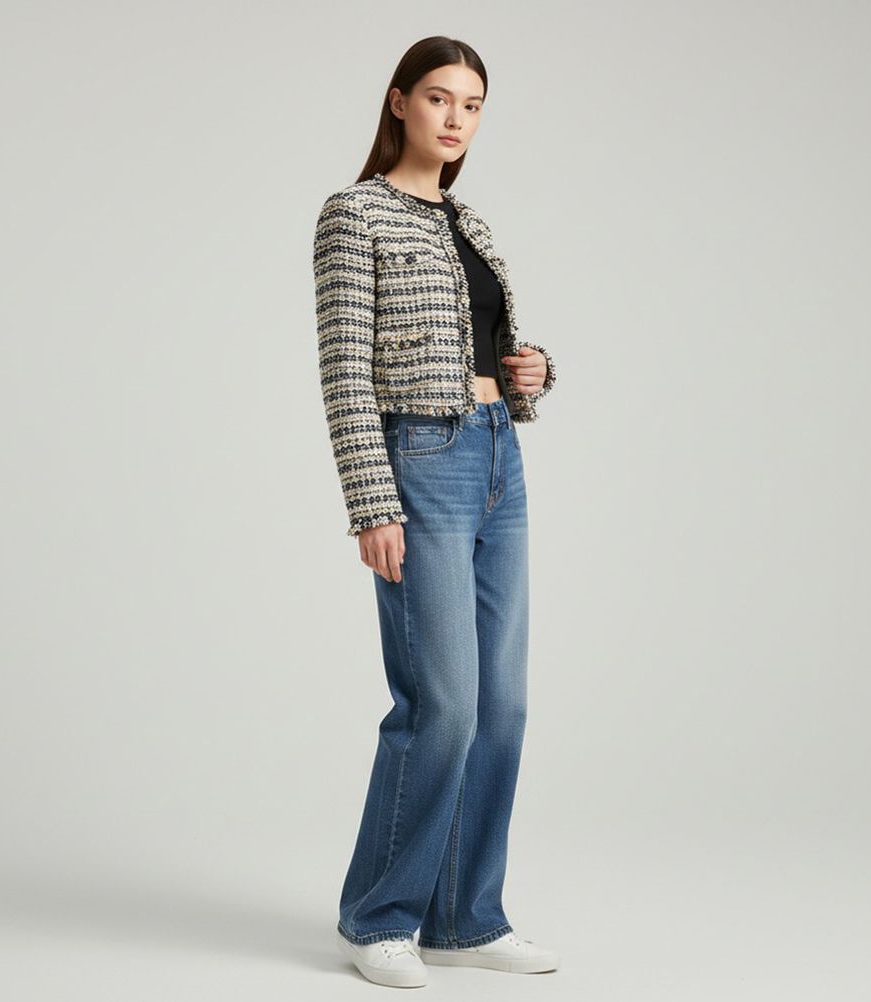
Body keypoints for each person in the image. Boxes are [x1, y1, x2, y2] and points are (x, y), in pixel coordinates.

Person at [312, 36, 560, 988]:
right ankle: (379, 916)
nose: (457, 118)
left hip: (500, 461)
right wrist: (371, 502)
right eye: (440, 98)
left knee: (502, 705)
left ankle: (465, 915)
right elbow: (346, 371)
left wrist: (529, 373)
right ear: (399, 102)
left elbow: (484, 346)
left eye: (473, 104)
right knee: (443, 703)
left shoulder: (471, 222)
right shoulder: (355, 214)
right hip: (420, 462)